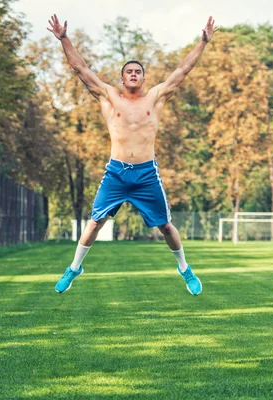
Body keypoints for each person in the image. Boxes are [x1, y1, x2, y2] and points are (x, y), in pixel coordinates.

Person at [48, 14, 216, 295]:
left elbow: (183, 70)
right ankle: (75, 267)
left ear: (144, 77)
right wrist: (64, 38)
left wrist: (203, 42)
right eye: (129, 72)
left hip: (146, 173)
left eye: (138, 71)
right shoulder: (108, 96)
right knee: (94, 223)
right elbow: (80, 68)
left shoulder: (156, 97)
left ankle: (185, 269)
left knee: (166, 226)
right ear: (122, 77)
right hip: (116, 172)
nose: (134, 75)